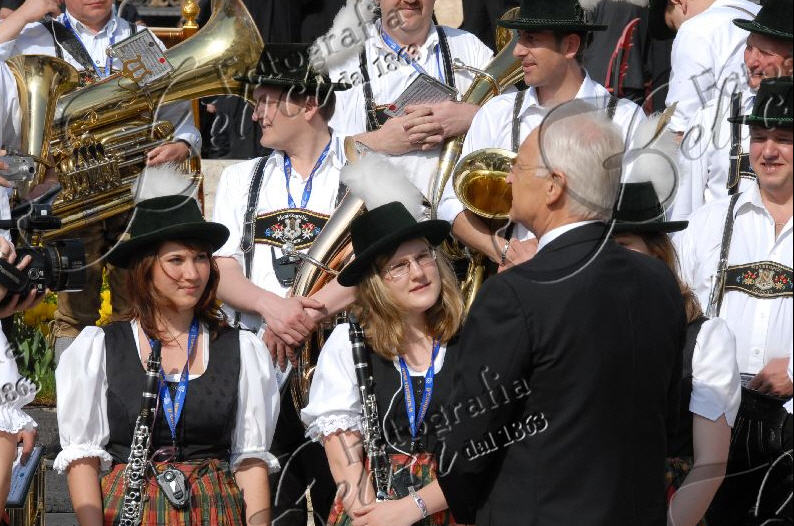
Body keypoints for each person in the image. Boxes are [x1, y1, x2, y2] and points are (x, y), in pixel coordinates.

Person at [435, 101, 685, 525]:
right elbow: (667, 419)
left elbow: (464, 444)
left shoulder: (514, 294)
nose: (508, 176)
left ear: (554, 187)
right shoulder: (659, 281)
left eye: (520, 166)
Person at [54, 187, 280, 525]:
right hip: (131, 510)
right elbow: (82, 461)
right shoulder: (101, 346)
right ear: (145, 268)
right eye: (176, 260)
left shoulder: (241, 348)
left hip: (214, 512)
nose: (193, 274)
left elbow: (250, 463)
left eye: (200, 258)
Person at [0, 0, 202, 358]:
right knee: (73, 313)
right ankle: (71, 387)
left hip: (131, 194)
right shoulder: (33, 37)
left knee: (137, 303)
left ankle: (131, 383)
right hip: (64, 196)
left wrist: (183, 144)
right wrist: (23, 14)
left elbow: (174, 110)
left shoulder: (137, 39)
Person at [212, 43, 353, 526]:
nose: (256, 114)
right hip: (261, 362)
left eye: (268, 102)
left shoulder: (363, 167)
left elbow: (374, 266)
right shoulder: (241, 178)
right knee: (270, 507)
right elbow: (222, 269)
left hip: (339, 364)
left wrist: (302, 317)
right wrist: (274, 309)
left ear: (308, 105)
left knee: (344, 503)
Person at [441, 0, 647, 270]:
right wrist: (505, 251)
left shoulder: (625, 118)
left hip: (594, 275)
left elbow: (640, 220)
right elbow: (450, 204)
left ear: (570, 46)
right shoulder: (497, 112)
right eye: (519, 38)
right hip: (513, 277)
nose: (517, 50)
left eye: (531, 39)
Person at [301, 201, 465, 526]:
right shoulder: (349, 344)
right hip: (374, 510)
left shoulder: (471, 337)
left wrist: (412, 508)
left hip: (454, 502)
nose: (418, 273)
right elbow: (344, 461)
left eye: (423, 256)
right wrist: (371, 516)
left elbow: (484, 454)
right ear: (375, 282)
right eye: (399, 266)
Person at [675, 76, 793, 525]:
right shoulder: (706, 223)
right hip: (714, 427)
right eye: (759, 137)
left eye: (783, 138)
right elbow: (675, 315)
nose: (768, 151)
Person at [612, 182, 741, 526]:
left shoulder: (705, 338)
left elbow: (711, 464)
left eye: (622, 245)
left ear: (657, 253)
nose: (610, 259)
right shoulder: (578, 327)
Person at [321, 0, 493, 207]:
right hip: (378, 217)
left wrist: (473, 116)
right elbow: (317, 154)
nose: (411, 0)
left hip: (462, 214)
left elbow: (516, 121)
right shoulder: (341, 61)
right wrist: (378, 141)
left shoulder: (469, 46)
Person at [673, 0, 793, 220]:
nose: (751, 61)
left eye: (764, 52)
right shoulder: (711, 117)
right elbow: (683, 212)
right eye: (749, 47)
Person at [652, 0, 760, 135]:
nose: (678, 32)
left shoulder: (695, 29)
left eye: (674, 24)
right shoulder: (764, 14)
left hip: (727, 143)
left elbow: (681, 126)